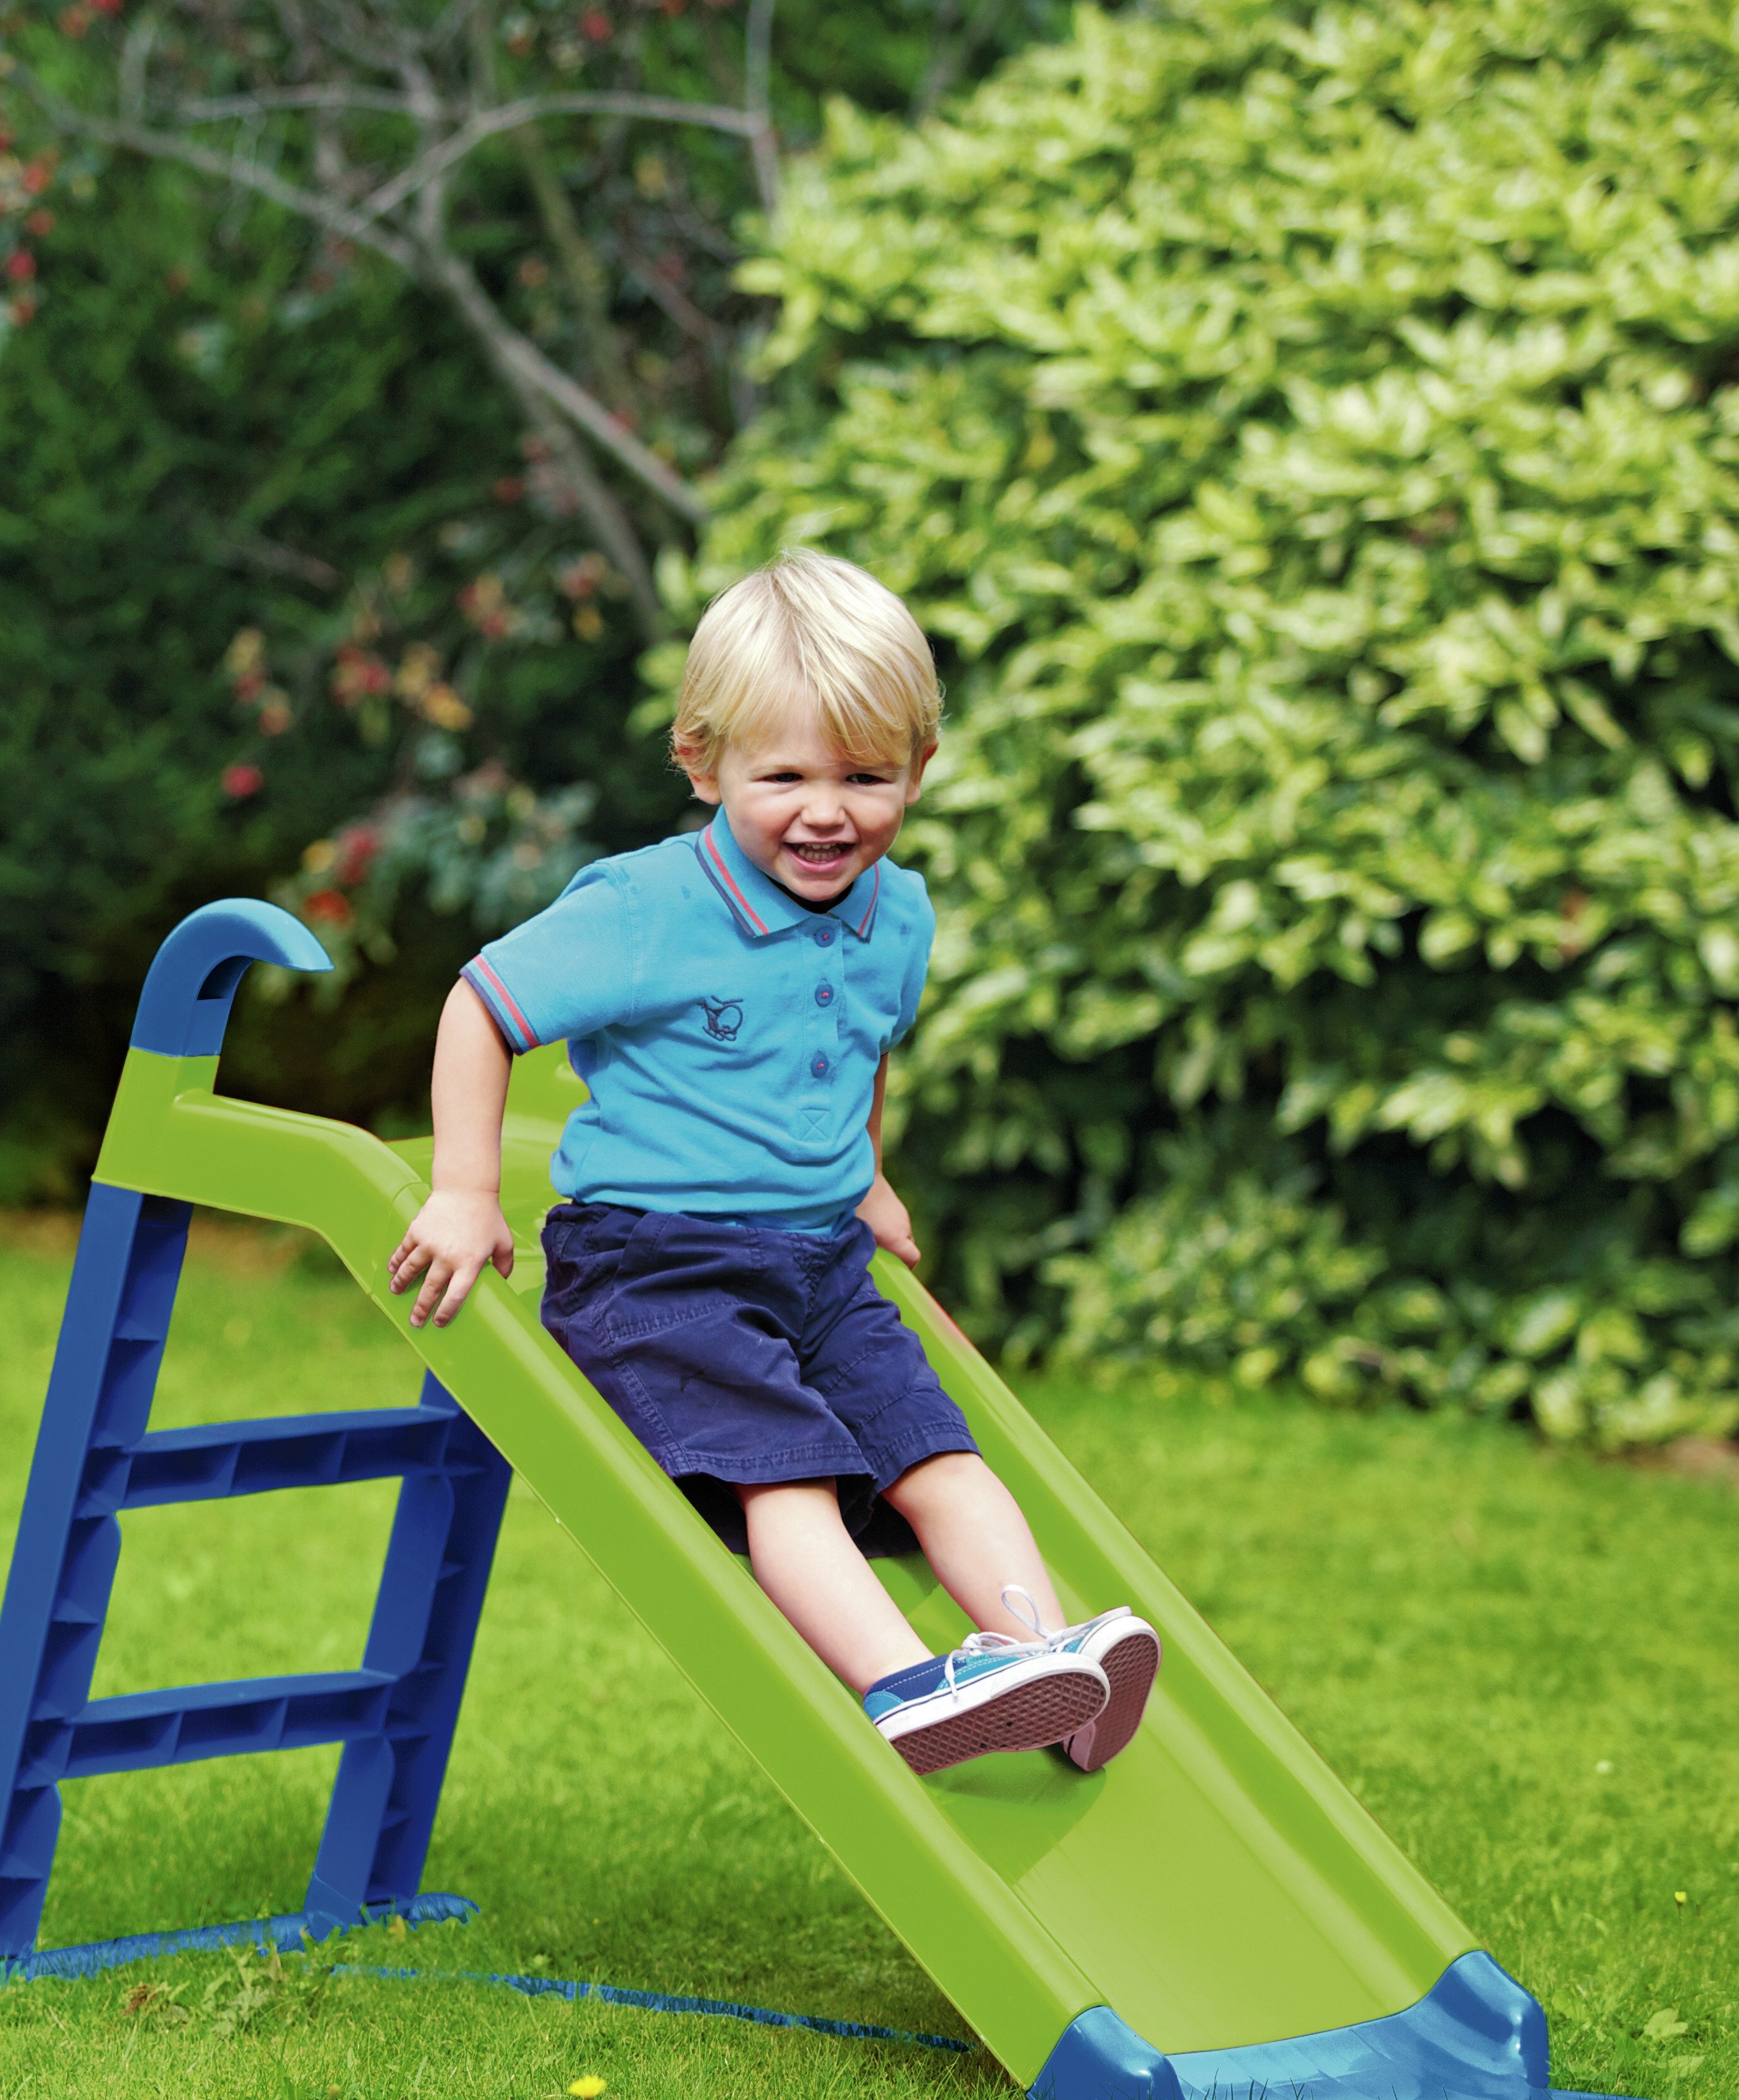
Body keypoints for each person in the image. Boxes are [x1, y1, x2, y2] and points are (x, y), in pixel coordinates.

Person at [383, 548, 1160, 1777]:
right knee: (782, 1471)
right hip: (658, 1270)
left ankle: (1046, 1660)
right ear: (703, 765)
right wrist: (466, 1188)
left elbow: (861, 1044)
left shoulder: (894, 912)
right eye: (784, 774)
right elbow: (481, 1003)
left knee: (934, 1449)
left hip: (821, 1262)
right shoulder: (645, 909)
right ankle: (906, 1682)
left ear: (919, 770)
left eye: (865, 776)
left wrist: (866, 1173)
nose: (826, 809)